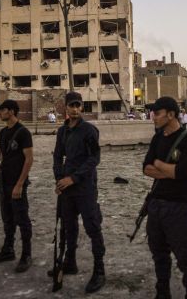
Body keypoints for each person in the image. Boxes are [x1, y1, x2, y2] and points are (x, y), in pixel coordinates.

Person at [143, 96, 187, 299]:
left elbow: (183, 172)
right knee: (159, 255)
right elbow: (146, 168)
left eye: (157, 114)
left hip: (179, 209)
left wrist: (159, 165)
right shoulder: (157, 138)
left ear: (171, 114)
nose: (153, 118)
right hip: (156, 206)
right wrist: (170, 170)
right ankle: (163, 292)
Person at [52, 91, 106, 294]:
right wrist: (58, 179)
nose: (75, 109)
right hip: (66, 188)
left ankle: (99, 270)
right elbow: (57, 156)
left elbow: (94, 159)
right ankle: (70, 262)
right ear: (65, 107)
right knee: (68, 226)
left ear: (82, 107)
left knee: (92, 227)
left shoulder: (89, 130)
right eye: (71, 106)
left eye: (78, 105)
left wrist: (73, 178)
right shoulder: (62, 132)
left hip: (85, 187)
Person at [0, 100, 34, 273]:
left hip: (17, 183)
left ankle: (26, 255)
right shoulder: (3, 132)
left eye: (3, 110)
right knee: (7, 218)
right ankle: (8, 250)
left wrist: (20, 184)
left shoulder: (23, 132)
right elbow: (2, 150)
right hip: (4, 181)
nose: (0, 112)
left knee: (22, 219)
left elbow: (29, 159)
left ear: (12, 111)